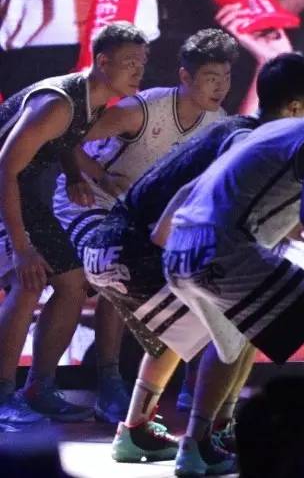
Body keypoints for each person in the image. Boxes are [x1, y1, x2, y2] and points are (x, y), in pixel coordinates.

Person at [161, 54, 304, 475]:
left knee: (234, 338)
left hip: (179, 250)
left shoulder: (278, 129)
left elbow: (197, 190)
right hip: (222, 248)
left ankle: (195, 447)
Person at [80, 54, 304, 465]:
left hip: (108, 247)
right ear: (295, 107)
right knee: (240, 318)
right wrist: (167, 242)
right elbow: (188, 198)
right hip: (137, 247)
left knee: (181, 330)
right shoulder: (248, 141)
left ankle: (136, 431)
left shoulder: (235, 129)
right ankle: (206, 440)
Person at [51, 28, 238, 424]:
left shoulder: (219, 123)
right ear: (185, 76)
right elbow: (65, 135)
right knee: (118, 269)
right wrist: (95, 176)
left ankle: (192, 385)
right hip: (90, 202)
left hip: (139, 217)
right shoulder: (144, 108)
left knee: (202, 274)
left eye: (225, 77)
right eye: (210, 77)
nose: (220, 87)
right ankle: (108, 381)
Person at [0, 22, 149, 426]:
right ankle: (2, 395)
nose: (138, 71)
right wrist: (22, 248)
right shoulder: (58, 103)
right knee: (28, 281)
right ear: (102, 62)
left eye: (142, 63)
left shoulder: (91, 101)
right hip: (5, 188)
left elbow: (63, 142)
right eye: (130, 63)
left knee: (72, 283)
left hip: (26, 194)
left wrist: (78, 176)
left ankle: (39, 388)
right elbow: (5, 168)